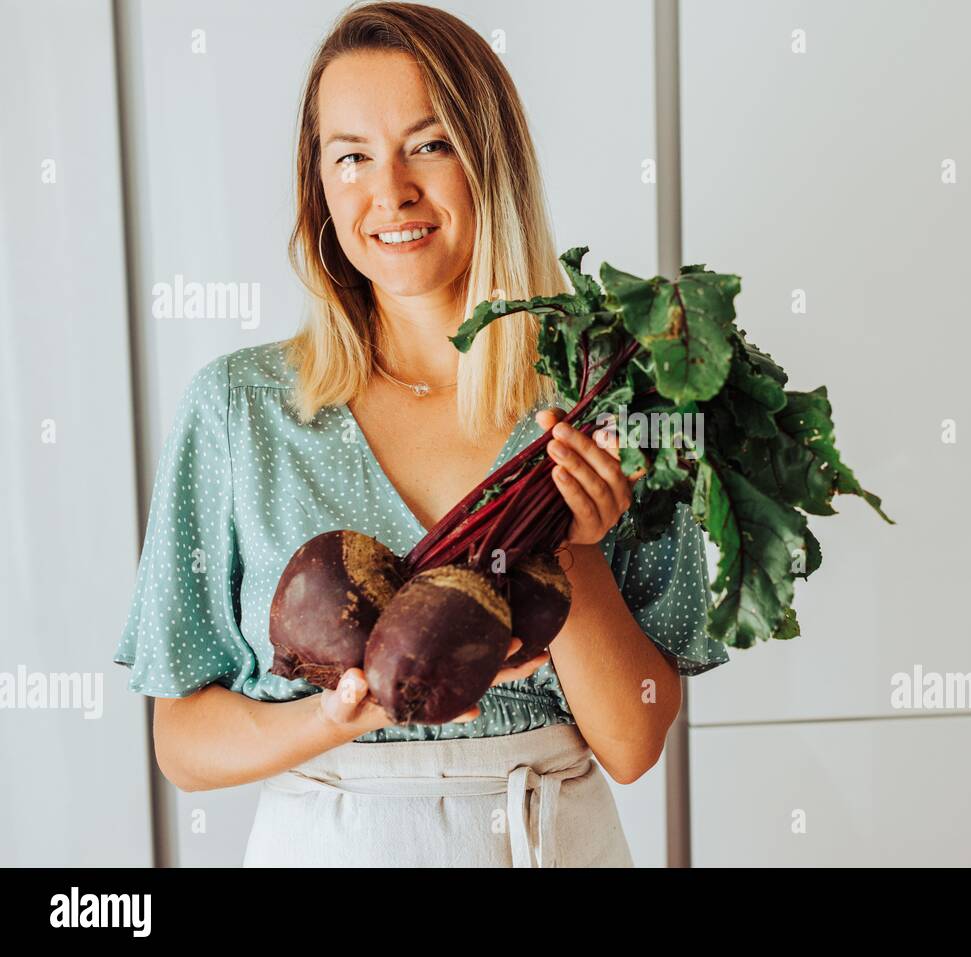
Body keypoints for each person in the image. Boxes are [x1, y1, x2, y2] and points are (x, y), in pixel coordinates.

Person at [112, 1, 729, 868]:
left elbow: (633, 744)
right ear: (318, 185)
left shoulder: (604, 398)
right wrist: (337, 715)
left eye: (429, 144)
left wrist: (576, 552)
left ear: (492, 162)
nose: (391, 191)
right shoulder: (237, 408)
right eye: (351, 156)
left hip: (548, 836)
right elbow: (181, 741)